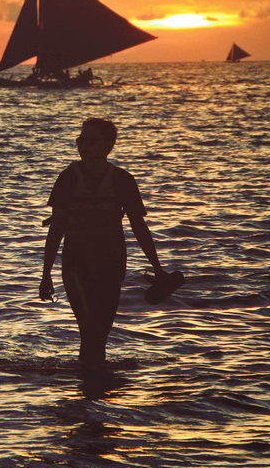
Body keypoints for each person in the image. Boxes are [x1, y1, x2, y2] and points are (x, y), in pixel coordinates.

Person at [39, 118, 174, 368]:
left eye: (91, 141)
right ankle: (90, 383)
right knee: (89, 329)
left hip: (111, 265)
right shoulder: (68, 179)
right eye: (81, 141)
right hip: (76, 266)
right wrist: (46, 275)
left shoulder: (123, 180)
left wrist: (157, 268)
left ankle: (94, 384)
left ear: (108, 145)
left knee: (100, 334)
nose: (84, 146)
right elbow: (56, 229)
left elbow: (139, 227)